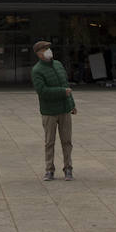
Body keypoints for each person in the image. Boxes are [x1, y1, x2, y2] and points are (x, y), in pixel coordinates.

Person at [31, 39, 76, 181]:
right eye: (45, 49)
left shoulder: (58, 65)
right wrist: (63, 92)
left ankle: (68, 168)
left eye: (49, 48)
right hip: (49, 111)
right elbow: (42, 91)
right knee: (49, 142)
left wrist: (72, 104)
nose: (48, 51)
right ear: (39, 54)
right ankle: (49, 170)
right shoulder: (37, 70)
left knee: (67, 141)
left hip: (64, 110)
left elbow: (66, 85)